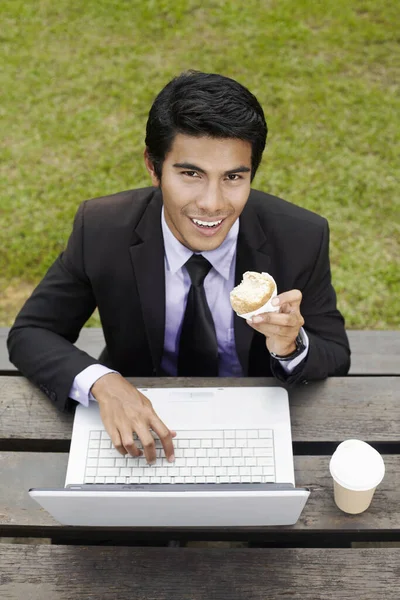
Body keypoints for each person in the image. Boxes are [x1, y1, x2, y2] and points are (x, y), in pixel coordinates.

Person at [7, 70, 350, 466]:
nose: (212, 203)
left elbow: (335, 352)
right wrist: (103, 382)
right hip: (139, 416)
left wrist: (291, 346)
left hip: (255, 418)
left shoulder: (300, 235)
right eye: (191, 174)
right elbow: (32, 332)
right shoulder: (101, 229)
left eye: (233, 177)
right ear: (154, 168)